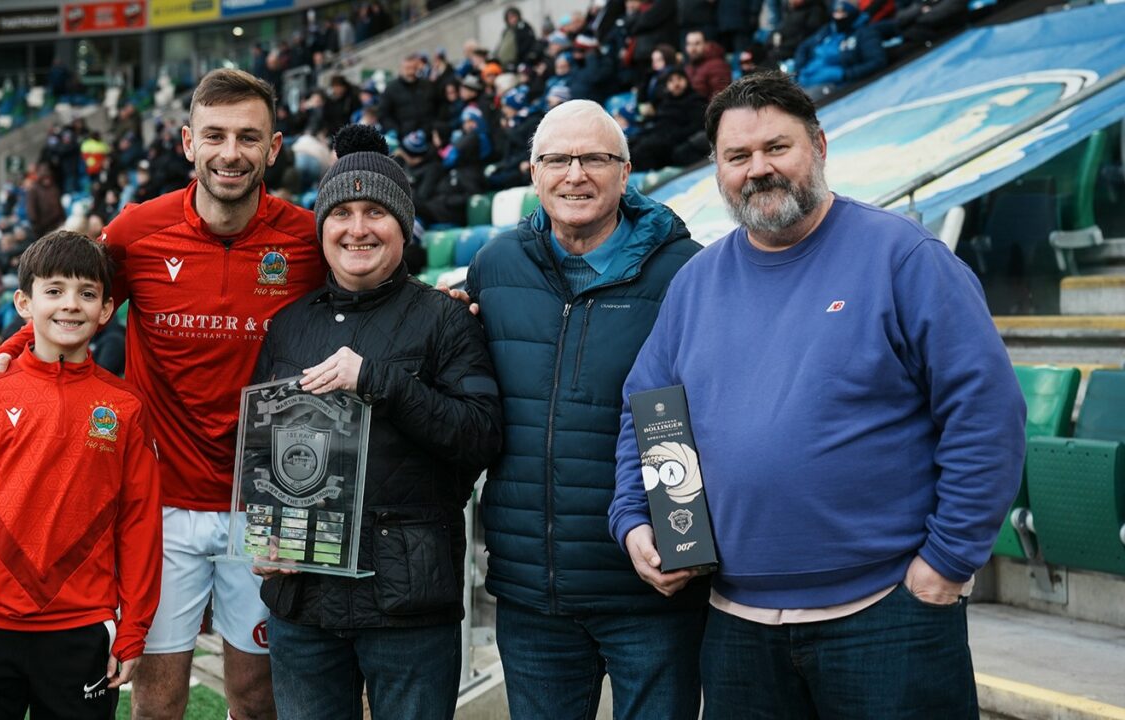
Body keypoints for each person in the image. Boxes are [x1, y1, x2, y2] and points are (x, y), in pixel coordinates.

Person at [610, 71, 1026, 718]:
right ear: (717, 170)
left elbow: (986, 415)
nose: (758, 169)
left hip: (887, 614)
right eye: (737, 156)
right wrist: (635, 520)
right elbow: (650, 414)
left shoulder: (904, 258)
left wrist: (945, 564)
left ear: (820, 146)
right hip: (738, 625)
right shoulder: (695, 285)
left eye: (778, 148)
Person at [0, 68, 327, 720]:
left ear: (273, 147)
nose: (229, 152)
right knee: (155, 700)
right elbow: (71, 306)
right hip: (162, 504)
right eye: (214, 135)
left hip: (267, 503)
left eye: (247, 137)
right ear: (187, 142)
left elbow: (369, 300)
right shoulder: (137, 232)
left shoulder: (306, 238)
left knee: (256, 697)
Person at [463, 100, 707, 719]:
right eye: (558, 159)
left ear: (626, 173)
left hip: (651, 587)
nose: (576, 174)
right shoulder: (495, 266)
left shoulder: (690, 271)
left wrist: (686, 546)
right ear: (533, 172)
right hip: (531, 594)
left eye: (595, 158)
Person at [251, 124, 502, 720]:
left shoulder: (446, 319)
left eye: (375, 213)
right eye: (341, 212)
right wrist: (264, 533)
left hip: (407, 605)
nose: (357, 228)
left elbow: (480, 435)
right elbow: (266, 454)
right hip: (303, 600)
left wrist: (380, 381)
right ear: (322, 228)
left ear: (404, 225)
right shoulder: (289, 325)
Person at [0, 231, 162, 718]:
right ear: (24, 303)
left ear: (108, 309)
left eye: (87, 294)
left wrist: (133, 628)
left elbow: (139, 524)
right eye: (54, 291)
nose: (70, 305)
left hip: (81, 628)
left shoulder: (126, 407)